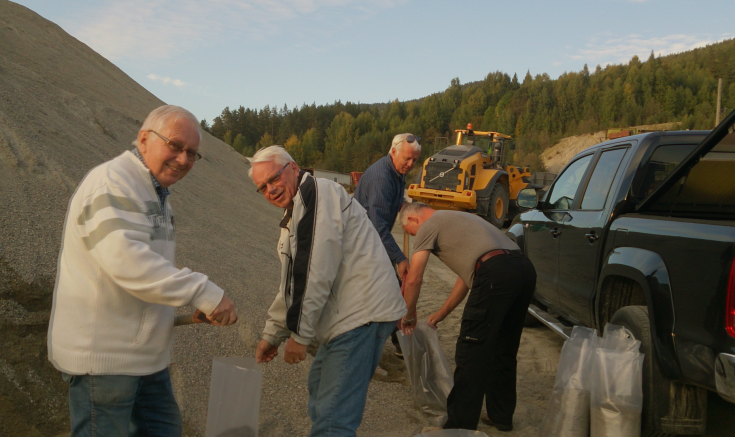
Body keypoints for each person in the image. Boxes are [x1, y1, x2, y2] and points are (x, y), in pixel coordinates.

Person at [47, 105, 238, 437]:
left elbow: (142, 275)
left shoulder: (156, 193)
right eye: (175, 146)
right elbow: (127, 261)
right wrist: (203, 292)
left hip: (146, 360)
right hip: (106, 364)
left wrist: (182, 314)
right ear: (144, 139)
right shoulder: (112, 182)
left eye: (192, 153)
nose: (183, 159)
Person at [252, 146, 406, 437]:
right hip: (348, 316)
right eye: (262, 187)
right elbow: (292, 283)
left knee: (334, 418)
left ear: (294, 168)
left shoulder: (317, 196)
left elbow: (315, 269)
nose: (270, 190)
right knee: (320, 386)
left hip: (361, 315)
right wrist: (272, 334)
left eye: (273, 179)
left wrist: (299, 335)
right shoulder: (294, 215)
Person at [398, 203, 536, 432]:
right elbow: (469, 275)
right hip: (523, 270)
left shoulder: (428, 225)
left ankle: (458, 426)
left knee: (471, 350)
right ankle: (501, 416)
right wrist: (441, 314)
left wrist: (409, 315)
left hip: (495, 272)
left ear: (413, 219)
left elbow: (414, 277)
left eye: (410, 233)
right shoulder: (460, 220)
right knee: (504, 348)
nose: (415, 238)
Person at [353, 133, 421, 358]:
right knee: (389, 290)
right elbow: (377, 226)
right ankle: (398, 342)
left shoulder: (395, 172)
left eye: (414, 160)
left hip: (370, 241)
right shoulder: (383, 177)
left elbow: (393, 201)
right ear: (393, 151)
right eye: (407, 159)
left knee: (388, 290)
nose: (410, 165)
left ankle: (399, 340)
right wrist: (400, 258)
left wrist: (406, 208)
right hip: (360, 244)